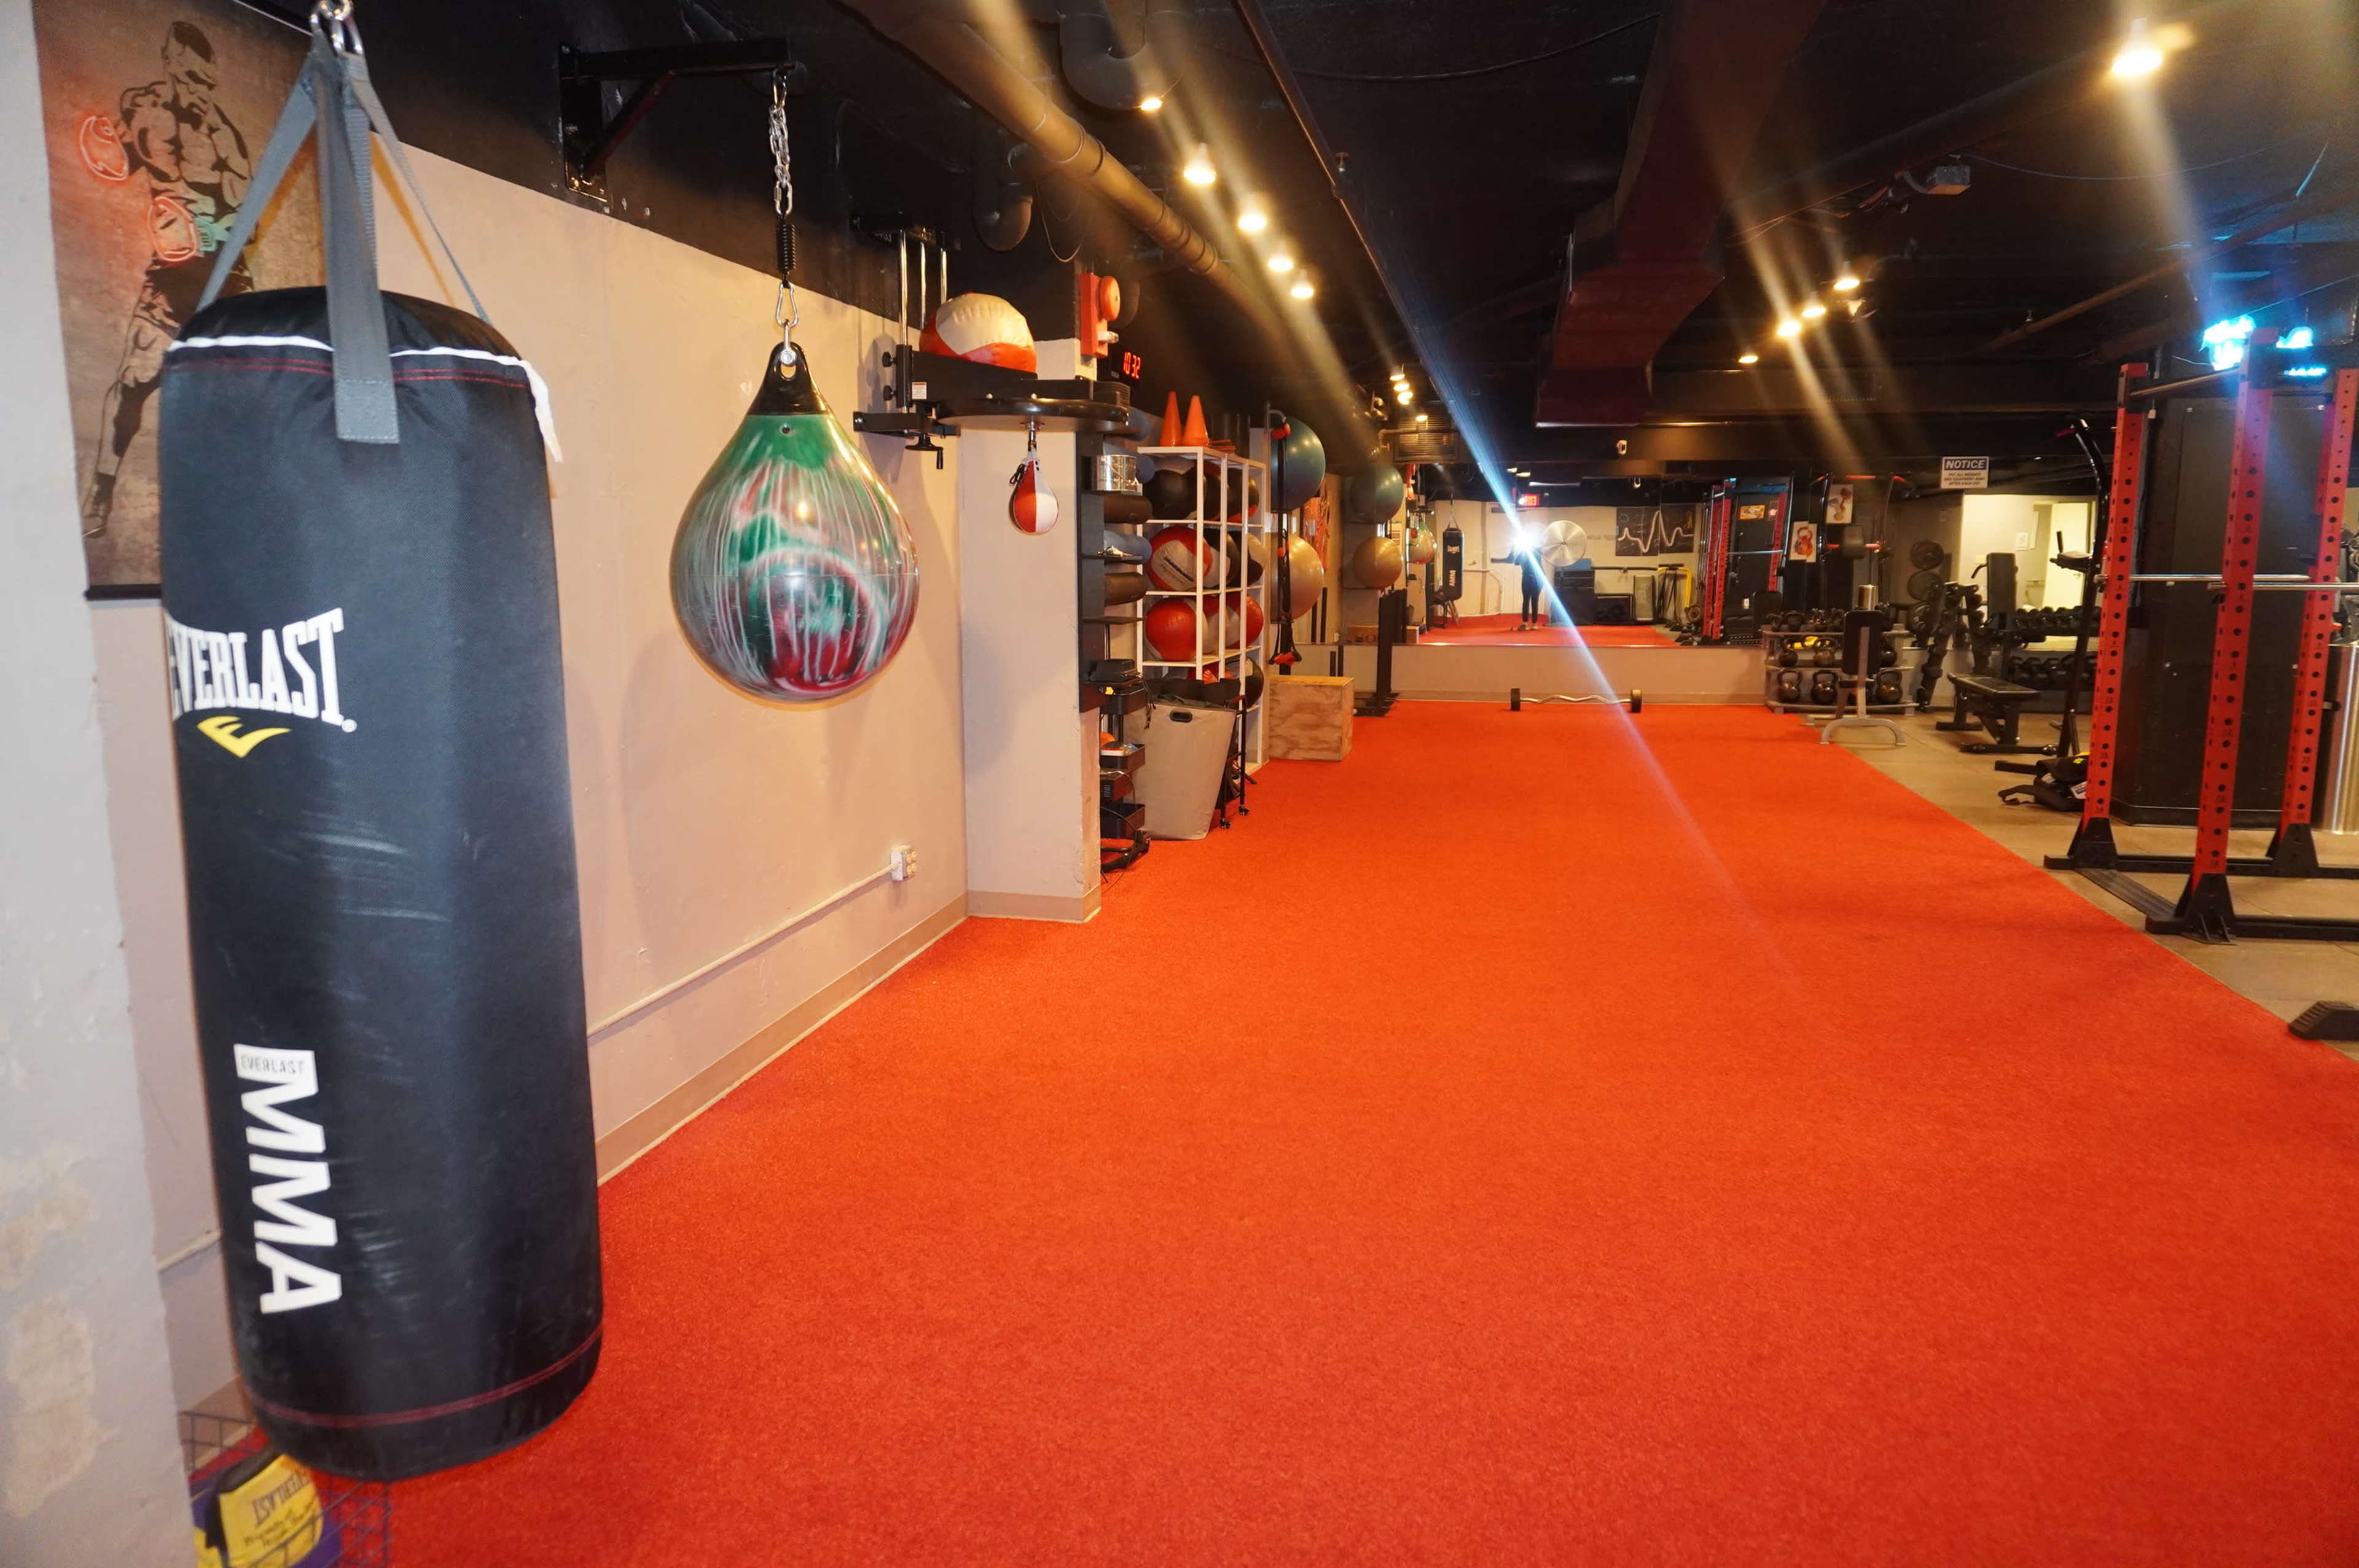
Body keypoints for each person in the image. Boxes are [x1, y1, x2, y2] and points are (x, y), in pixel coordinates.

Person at [82, 23, 252, 536]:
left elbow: (243, 211)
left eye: (208, 82)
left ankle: (235, 510)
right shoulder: (144, 110)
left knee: (234, 402)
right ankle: (101, 494)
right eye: (192, 78)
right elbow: (115, 158)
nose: (200, 91)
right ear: (171, 65)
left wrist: (203, 218)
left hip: (225, 278)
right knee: (134, 379)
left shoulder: (226, 137)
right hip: (172, 272)